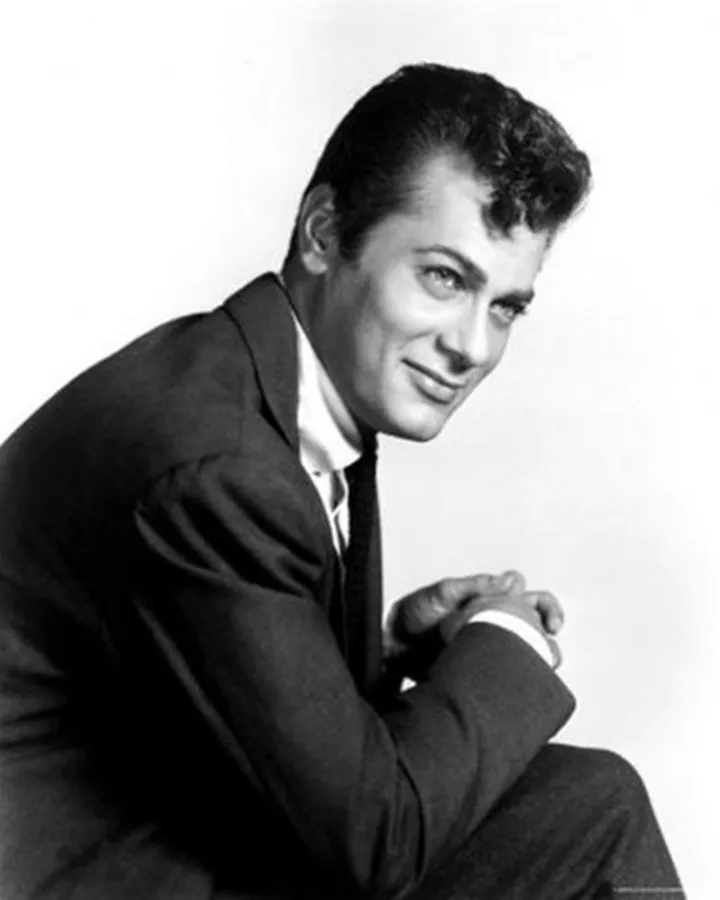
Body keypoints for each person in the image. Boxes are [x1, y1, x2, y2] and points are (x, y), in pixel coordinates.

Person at [0, 63, 683, 899]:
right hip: (95, 875)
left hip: (153, 835)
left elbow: (203, 684)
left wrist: (389, 651)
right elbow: (371, 845)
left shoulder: (273, 387)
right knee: (591, 816)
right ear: (324, 233)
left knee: (593, 800)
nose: (472, 347)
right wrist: (507, 641)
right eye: (445, 277)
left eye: (505, 306)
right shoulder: (216, 467)